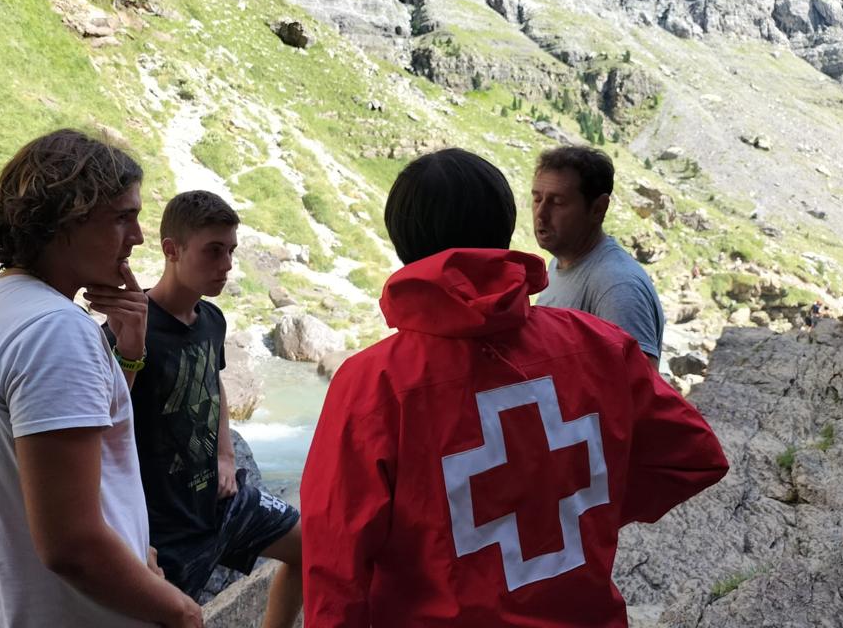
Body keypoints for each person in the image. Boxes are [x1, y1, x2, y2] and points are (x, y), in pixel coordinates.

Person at [300, 147, 728, 627]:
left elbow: (334, 565)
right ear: (503, 229)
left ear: (403, 240)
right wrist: (583, 510)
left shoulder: (372, 385)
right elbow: (693, 457)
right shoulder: (601, 345)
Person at [0, 129, 202, 628]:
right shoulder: (54, 330)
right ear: (64, 220)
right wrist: (182, 612)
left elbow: (66, 445)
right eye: (123, 217)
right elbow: (71, 544)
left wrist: (128, 353)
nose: (139, 237)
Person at [102, 190, 302, 628]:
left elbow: (213, 382)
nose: (227, 265)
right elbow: (100, 429)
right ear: (171, 250)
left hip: (220, 500)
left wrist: (225, 455)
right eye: (214, 251)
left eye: (230, 251)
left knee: (312, 546)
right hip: (163, 528)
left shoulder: (212, 319)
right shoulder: (130, 328)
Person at [531, 146, 666, 366]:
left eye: (558, 202)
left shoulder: (617, 287)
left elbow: (641, 390)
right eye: (537, 199)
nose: (541, 214)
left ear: (598, 209)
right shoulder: (560, 262)